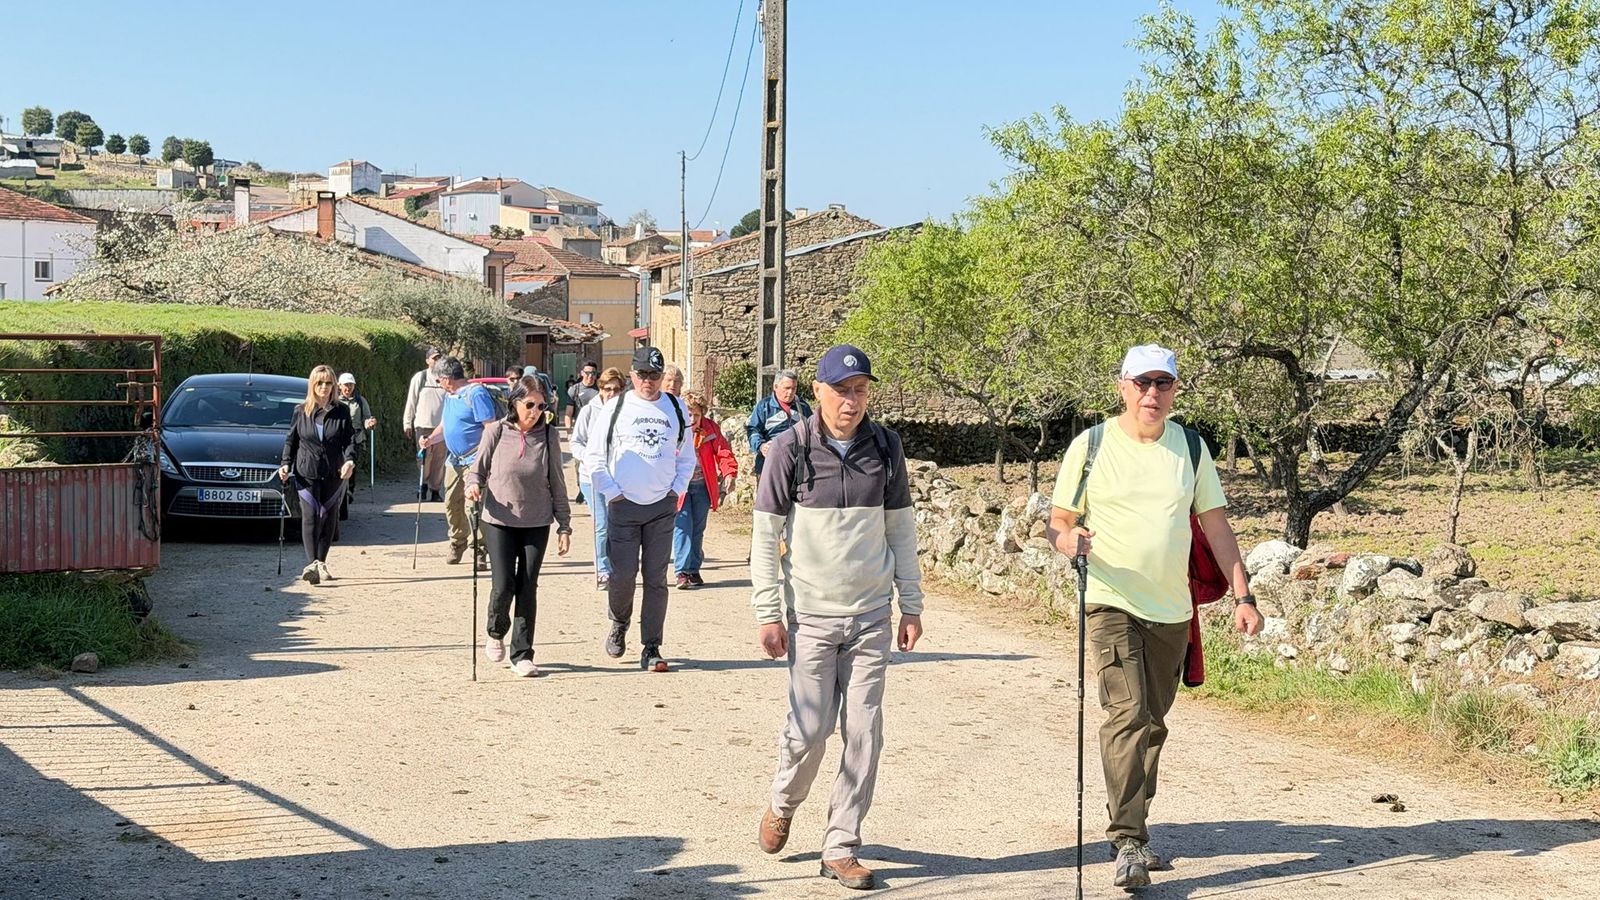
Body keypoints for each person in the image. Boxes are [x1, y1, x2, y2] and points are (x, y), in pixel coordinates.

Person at [1044, 343, 1262, 891]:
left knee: (1154, 723)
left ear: (1174, 390)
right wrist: (1071, 541)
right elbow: (1058, 523)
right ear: (1122, 385)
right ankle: (1129, 841)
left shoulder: (1189, 448)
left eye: (1162, 383)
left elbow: (1215, 528)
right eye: (1142, 382)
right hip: (1111, 600)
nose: (1151, 393)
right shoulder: (1090, 447)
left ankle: (1135, 828)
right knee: (1129, 715)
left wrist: (1244, 596)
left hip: (1170, 609)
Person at [751, 344, 923, 891]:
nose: (852, 402)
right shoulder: (788, 450)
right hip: (812, 616)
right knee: (810, 730)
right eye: (842, 391)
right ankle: (784, 801)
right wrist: (768, 612)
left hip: (872, 613)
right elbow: (764, 537)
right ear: (818, 392)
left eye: (861, 391)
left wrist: (911, 604)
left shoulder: (886, 448)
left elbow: (901, 531)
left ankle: (841, 844)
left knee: (864, 729)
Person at [583, 346, 696, 672]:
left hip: (661, 505)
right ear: (632, 374)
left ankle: (652, 647)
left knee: (656, 579)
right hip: (623, 505)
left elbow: (686, 456)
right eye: (643, 374)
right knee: (622, 576)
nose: (649, 381)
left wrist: (677, 489)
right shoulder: (616, 406)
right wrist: (612, 493)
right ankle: (619, 622)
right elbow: (594, 456)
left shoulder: (676, 408)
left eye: (655, 375)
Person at [466, 376, 573, 677]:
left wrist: (564, 525)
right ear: (515, 402)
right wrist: (473, 486)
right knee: (503, 585)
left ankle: (522, 654)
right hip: (499, 519)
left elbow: (557, 482)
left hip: (537, 520)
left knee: (528, 586)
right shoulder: (496, 431)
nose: (535, 411)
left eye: (541, 406)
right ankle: (496, 630)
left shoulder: (549, 435)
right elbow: (478, 471)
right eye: (530, 405)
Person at [279, 365, 357, 585]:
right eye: (319, 383)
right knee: (311, 516)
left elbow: (349, 440)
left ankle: (321, 562)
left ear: (333, 385)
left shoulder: (341, 411)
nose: (324, 387)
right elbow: (291, 441)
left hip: (333, 472)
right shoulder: (300, 410)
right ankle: (312, 563)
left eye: (328, 383)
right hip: (306, 472)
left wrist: (350, 460)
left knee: (328, 516)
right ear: (312, 385)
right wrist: (285, 464)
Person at [419, 356, 499, 566]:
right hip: (454, 460)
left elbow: (490, 428)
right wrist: (430, 440)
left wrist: (484, 460)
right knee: (451, 504)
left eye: (439, 381)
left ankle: (479, 549)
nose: (439, 385)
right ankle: (457, 542)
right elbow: (446, 426)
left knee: (474, 506)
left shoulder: (476, 394)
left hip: (474, 459)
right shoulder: (450, 397)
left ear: (447, 379)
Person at [673, 390, 737, 590]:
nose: (692, 419)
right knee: (683, 527)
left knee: (698, 529)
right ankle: (681, 571)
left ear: (703, 414)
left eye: (697, 415)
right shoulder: (676, 429)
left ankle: (693, 569)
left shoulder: (710, 429)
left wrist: (729, 473)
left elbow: (723, 451)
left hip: (702, 486)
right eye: (689, 414)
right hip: (680, 487)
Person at [569, 366, 625, 591]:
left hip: (619, 476)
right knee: (601, 524)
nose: (611, 393)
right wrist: (589, 459)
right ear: (600, 389)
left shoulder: (627, 412)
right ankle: (603, 570)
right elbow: (576, 442)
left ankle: (616, 567)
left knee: (617, 525)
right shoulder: (589, 412)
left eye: (616, 389)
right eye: (607, 389)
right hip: (592, 477)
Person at [747, 369, 811, 476]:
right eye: (787, 388)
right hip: (770, 465)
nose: (790, 392)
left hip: (797, 467)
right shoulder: (764, 407)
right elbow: (753, 430)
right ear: (775, 387)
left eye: (794, 388)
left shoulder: (803, 408)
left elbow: (812, 430)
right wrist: (761, 446)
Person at [403, 347, 447, 502]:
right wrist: (407, 422)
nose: (437, 361)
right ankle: (422, 486)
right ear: (427, 360)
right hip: (423, 424)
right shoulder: (420, 377)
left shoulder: (445, 378)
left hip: (442, 426)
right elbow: (411, 401)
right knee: (424, 458)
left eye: (439, 358)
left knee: (439, 459)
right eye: (434, 358)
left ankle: (435, 490)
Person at [336, 372, 376, 500]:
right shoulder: (334, 400)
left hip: (355, 438)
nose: (348, 388)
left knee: (350, 463)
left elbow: (366, 418)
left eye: (351, 385)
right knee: (338, 464)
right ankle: (339, 490)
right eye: (346, 385)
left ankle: (349, 491)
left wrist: (369, 423)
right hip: (337, 438)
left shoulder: (360, 401)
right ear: (339, 386)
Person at [567, 362, 600, 426]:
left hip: (597, 427)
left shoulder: (601, 389)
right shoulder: (574, 389)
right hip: (580, 427)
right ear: (582, 373)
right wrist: (569, 432)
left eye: (593, 373)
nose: (590, 376)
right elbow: (568, 413)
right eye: (587, 373)